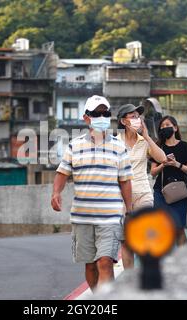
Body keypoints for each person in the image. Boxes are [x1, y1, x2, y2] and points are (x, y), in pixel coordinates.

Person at [51, 95, 133, 291]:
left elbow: (125, 181)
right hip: (82, 217)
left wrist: (129, 210)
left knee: (105, 262)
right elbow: (63, 172)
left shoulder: (119, 147)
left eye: (106, 113)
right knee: (90, 266)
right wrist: (56, 193)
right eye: (97, 113)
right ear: (86, 118)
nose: (102, 117)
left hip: (111, 217)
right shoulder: (74, 146)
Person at [116, 104, 167, 269]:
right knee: (126, 242)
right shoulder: (114, 143)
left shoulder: (143, 141)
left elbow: (162, 158)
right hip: (121, 197)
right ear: (124, 121)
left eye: (138, 116)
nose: (137, 119)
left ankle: (148, 272)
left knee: (147, 235)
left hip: (143, 193)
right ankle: (130, 279)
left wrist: (147, 136)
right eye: (132, 116)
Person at [150, 116, 187, 246]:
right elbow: (153, 172)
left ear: (175, 128)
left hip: (180, 192)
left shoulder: (184, 146)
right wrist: (163, 164)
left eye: (167, 125)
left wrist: (176, 164)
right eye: (162, 127)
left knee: (179, 228)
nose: (165, 128)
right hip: (161, 191)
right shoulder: (158, 147)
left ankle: (182, 258)